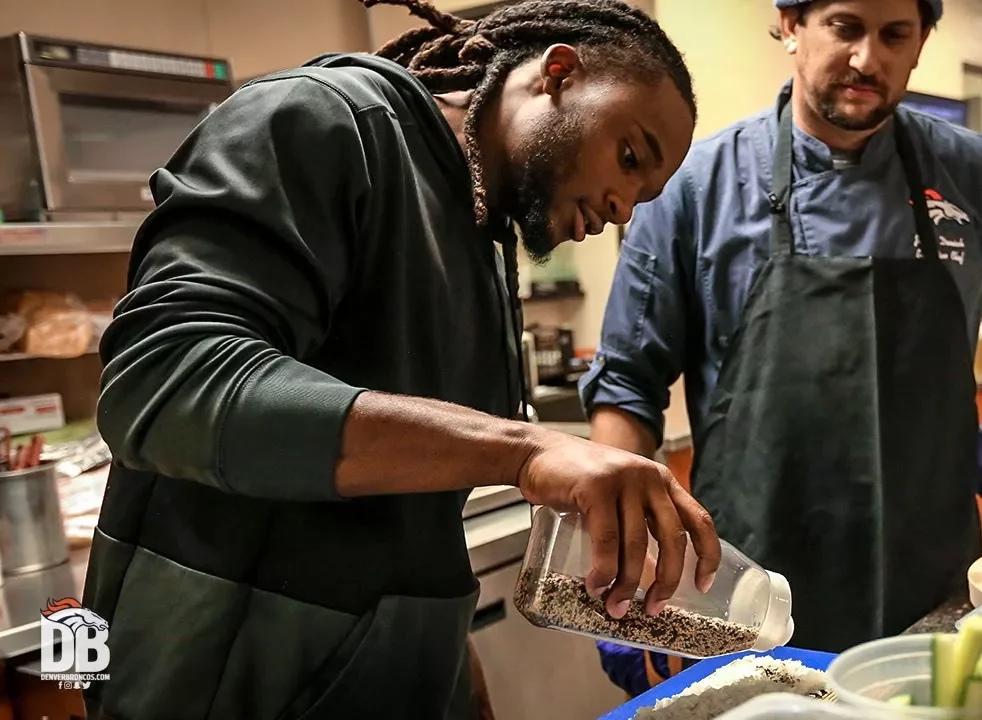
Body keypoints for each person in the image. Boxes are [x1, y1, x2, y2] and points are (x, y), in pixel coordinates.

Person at [79, 1, 723, 718]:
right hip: (229, 679)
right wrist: (522, 450)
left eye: (644, 196)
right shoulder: (322, 123)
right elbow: (164, 382)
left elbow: (410, 528)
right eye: (629, 157)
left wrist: (457, 681)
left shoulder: (480, 227)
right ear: (559, 74)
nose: (621, 207)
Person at [584, 0, 982, 695]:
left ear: (921, 43)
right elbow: (627, 380)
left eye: (895, 35)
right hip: (746, 585)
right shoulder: (696, 188)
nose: (868, 59)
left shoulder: (978, 175)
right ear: (792, 25)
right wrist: (623, 552)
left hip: (927, 583)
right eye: (845, 27)